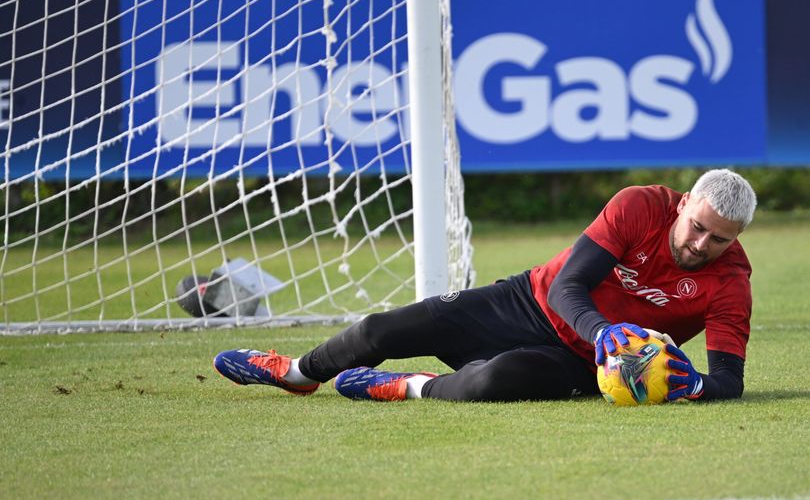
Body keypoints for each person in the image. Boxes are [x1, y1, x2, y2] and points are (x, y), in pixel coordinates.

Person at [213, 168, 755, 403]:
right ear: (682, 204)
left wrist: (695, 385)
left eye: (718, 240)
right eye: (697, 227)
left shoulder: (730, 282)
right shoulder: (640, 206)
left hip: (582, 363)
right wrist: (606, 331)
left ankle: (407, 387)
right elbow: (570, 286)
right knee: (384, 328)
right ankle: (296, 374)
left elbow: (730, 380)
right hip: (527, 301)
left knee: (490, 383)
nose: (701, 245)